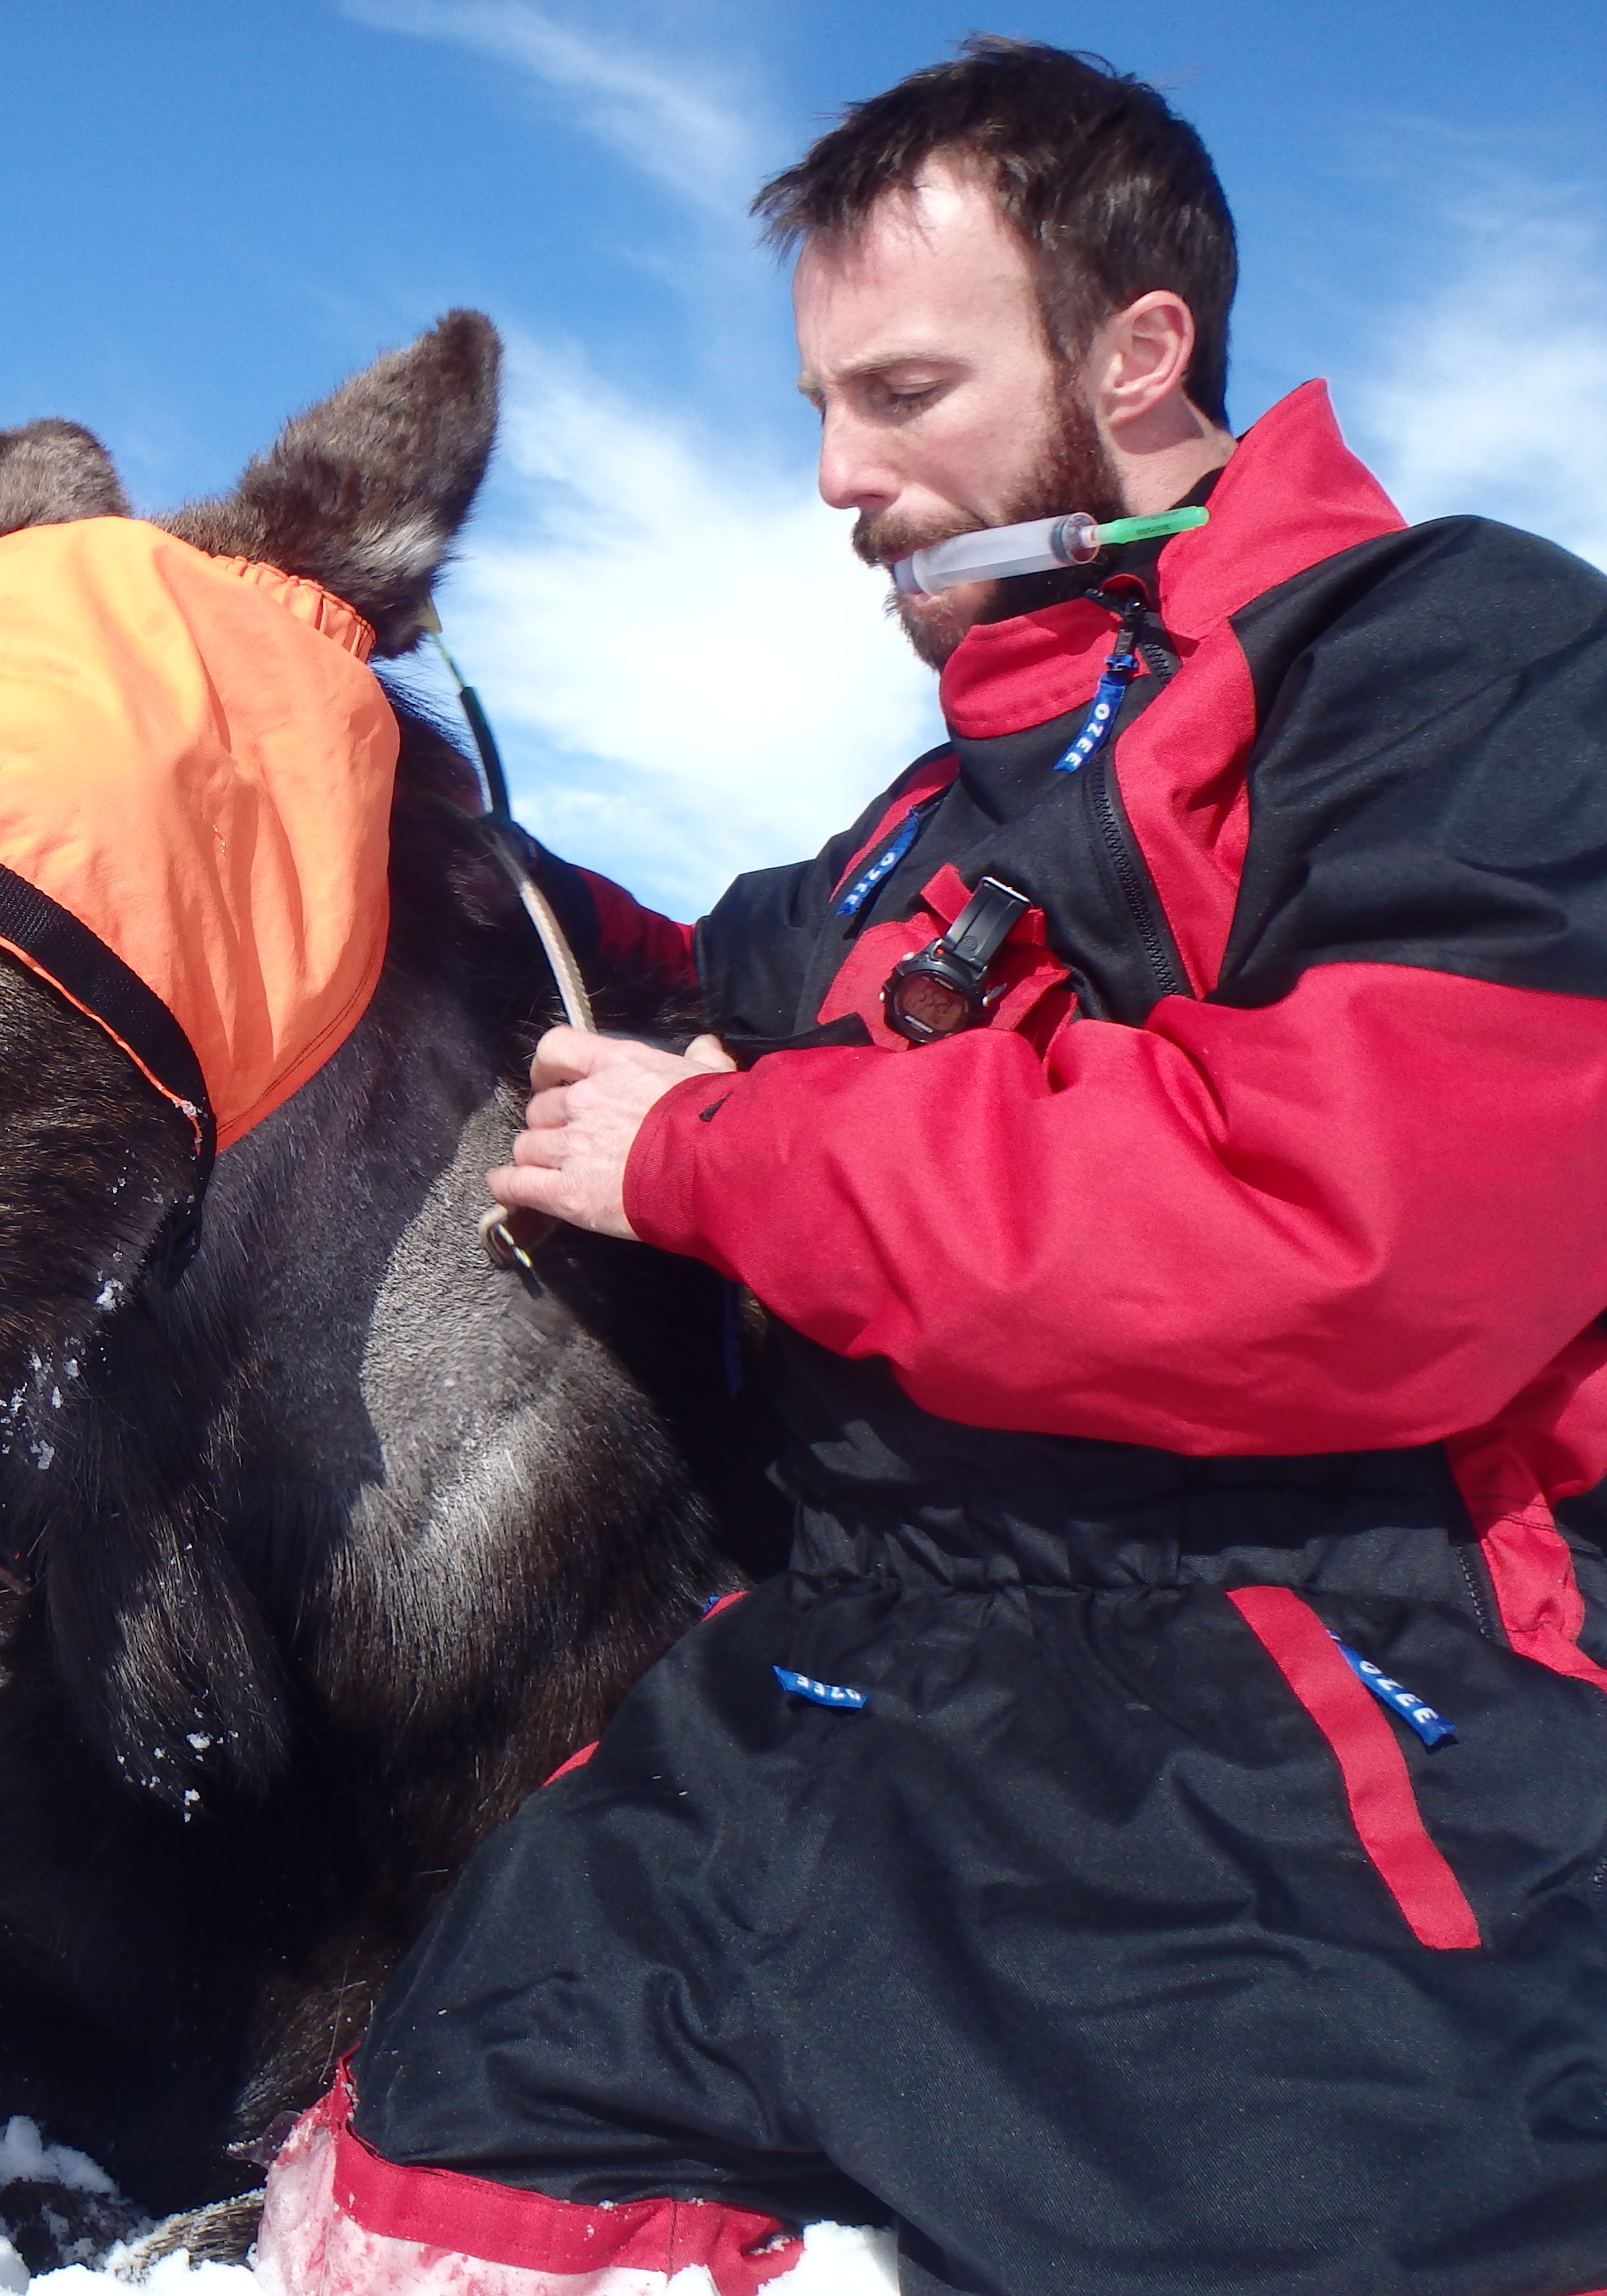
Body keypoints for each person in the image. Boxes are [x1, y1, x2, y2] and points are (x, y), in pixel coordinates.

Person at [258, 40, 1607, 2296]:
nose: (832, 477)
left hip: (1315, 1688)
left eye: (897, 395)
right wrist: (342, 752)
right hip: (826, 1684)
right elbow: (684, 977)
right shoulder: (910, 831)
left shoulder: (1452, 666)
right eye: (817, 407)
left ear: (1136, 352)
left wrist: (719, 1154)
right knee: (424, 2199)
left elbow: (1352, 1238)